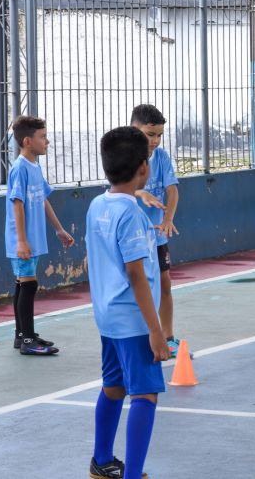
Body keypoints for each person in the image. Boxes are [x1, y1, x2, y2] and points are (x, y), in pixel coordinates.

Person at [86, 126, 170, 479]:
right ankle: (133, 474)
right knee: (145, 395)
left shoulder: (97, 205)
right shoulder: (132, 215)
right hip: (135, 320)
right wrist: (156, 330)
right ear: (144, 168)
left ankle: (101, 460)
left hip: (107, 316)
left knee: (114, 386)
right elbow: (136, 274)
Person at [5, 115, 74, 355]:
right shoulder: (19, 168)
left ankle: (23, 335)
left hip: (33, 238)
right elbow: (17, 204)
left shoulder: (35, 166)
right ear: (27, 141)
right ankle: (26, 342)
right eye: (42, 137)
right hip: (22, 240)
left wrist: (59, 229)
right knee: (28, 285)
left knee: (22, 285)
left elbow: (43, 199)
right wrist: (22, 241)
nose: (47, 141)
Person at [131, 104, 184, 357]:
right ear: (134, 129)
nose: (155, 140)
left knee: (165, 284)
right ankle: (140, 337)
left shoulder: (161, 158)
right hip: (133, 238)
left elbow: (172, 189)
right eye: (150, 134)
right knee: (137, 286)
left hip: (157, 235)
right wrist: (140, 193)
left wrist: (168, 219)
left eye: (159, 135)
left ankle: (168, 336)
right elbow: (120, 189)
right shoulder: (125, 156)